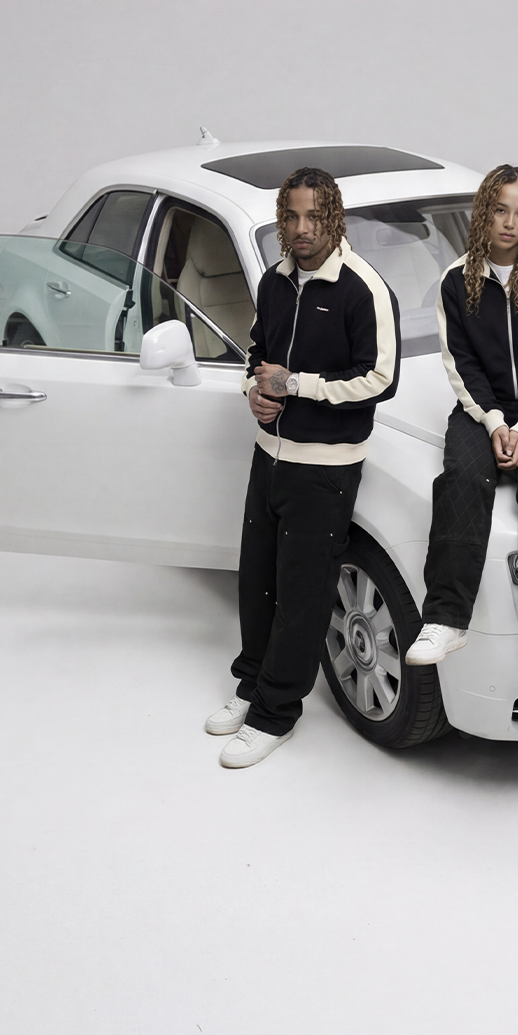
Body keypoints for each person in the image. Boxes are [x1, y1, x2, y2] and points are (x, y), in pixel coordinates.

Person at [204, 167, 400, 768]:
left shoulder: (363, 288)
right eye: (291, 216)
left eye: (315, 216)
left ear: (334, 217)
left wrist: (296, 386)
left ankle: (276, 714)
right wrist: (253, 391)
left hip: (325, 468)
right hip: (269, 457)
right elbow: (257, 353)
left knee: (302, 593)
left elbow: (380, 379)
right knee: (256, 580)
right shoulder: (274, 281)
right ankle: (252, 685)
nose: (302, 228)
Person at [404, 165, 518, 675]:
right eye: (501, 210)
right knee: (463, 477)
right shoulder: (456, 281)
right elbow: (460, 364)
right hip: (480, 409)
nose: (510, 223)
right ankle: (445, 620)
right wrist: (493, 422)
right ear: (483, 212)